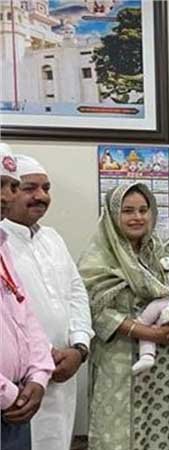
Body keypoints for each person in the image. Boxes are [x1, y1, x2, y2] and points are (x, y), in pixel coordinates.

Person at [78, 183, 169, 450]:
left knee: (160, 434)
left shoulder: (164, 252)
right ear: (113, 214)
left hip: (163, 371)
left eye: (143, 210)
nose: (137, 217)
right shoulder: (99, 259)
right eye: (128, 211)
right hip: (119, 364)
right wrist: (150, 333)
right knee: (116, 437)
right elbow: (96, 312)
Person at [0, 155, 94, 450]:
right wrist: (36, 366)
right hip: (18, 386)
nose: (41, 196)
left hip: (60, 374)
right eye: (29, 188)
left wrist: (80, 348)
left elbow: (76, 293)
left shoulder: (53, 238)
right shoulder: (5, 242)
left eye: (46, 188)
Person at [0, 143, 54, 450]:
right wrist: (9, 394)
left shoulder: (2, 245)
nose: (6, 196)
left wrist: (38, 376)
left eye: (11, 185)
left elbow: (25, 316)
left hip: (18, 404)